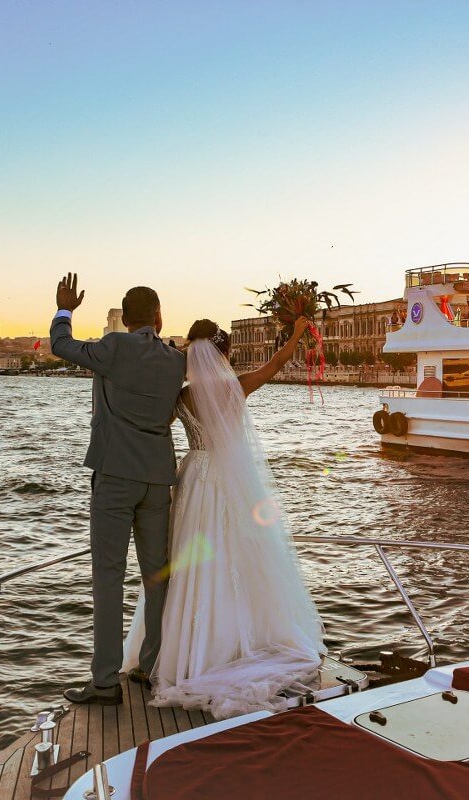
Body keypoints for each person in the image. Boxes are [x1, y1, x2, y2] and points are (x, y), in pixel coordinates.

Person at [123, 317, 325, 719]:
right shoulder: (237, 386)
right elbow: (277, 362)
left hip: (193, 477)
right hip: (230, 479)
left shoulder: (182, 397)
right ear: (226, 353)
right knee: (236, 556)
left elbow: (153, 425)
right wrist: (298, 331)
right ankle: (231, 644)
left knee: (184, 558)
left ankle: (175, 652)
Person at [50, 274, 187, 706]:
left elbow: (62, 346)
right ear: (159, 317)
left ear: (125, 319)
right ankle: (151, 666)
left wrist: (65, 309)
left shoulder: (114, 346)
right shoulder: (175, 359)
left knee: (108, 578)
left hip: (114, 477)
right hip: (158, 478)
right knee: (157, 577)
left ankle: (106, 682)